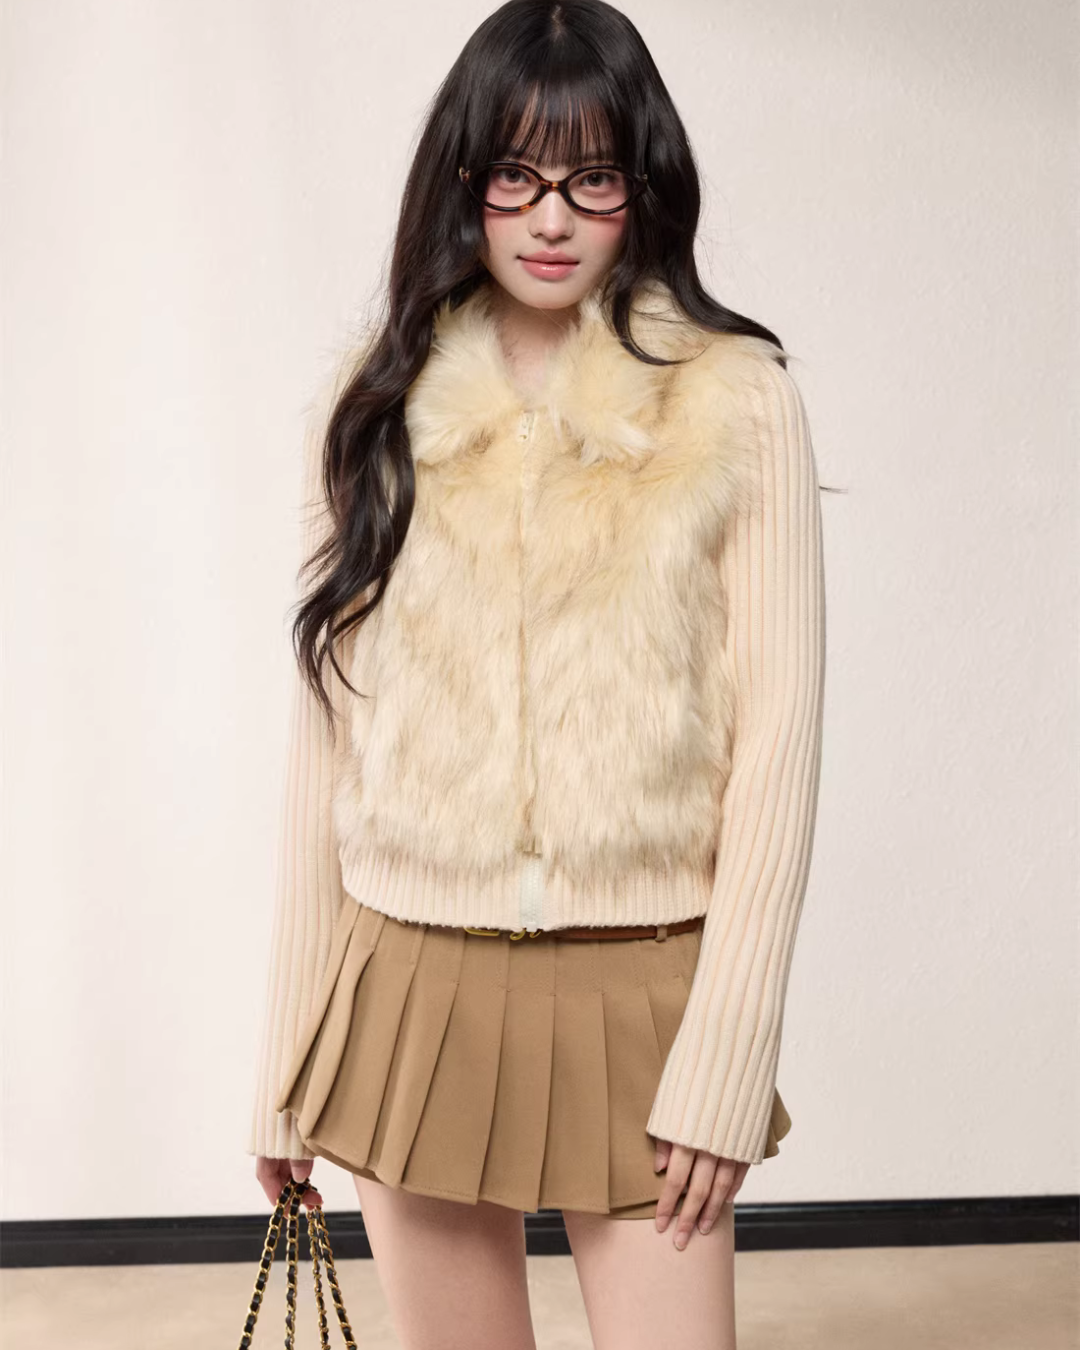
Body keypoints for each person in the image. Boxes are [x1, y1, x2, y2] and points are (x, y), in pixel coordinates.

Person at [246, 1, 826, 1345]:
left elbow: (780, 751)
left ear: (644, 186)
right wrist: (284, 1066)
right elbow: (325, 748)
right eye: (515, 175)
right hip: (407, 991)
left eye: (592, 179)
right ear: (463, 182)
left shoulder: (736, 399)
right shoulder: (376, 411)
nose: (551, 218)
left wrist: (729, 1054)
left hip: (646, 987)